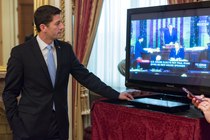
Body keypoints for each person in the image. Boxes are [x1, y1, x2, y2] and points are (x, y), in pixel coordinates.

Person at [2, 5, 133, 140]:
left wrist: (116, 94)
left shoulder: (65, 50)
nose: (62, 27)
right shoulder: (21, 53)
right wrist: (16, 126)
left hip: (59, 126)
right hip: (29, 128)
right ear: (43, 27)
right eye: (57, 23)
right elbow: (9, 93)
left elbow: (86, 77)